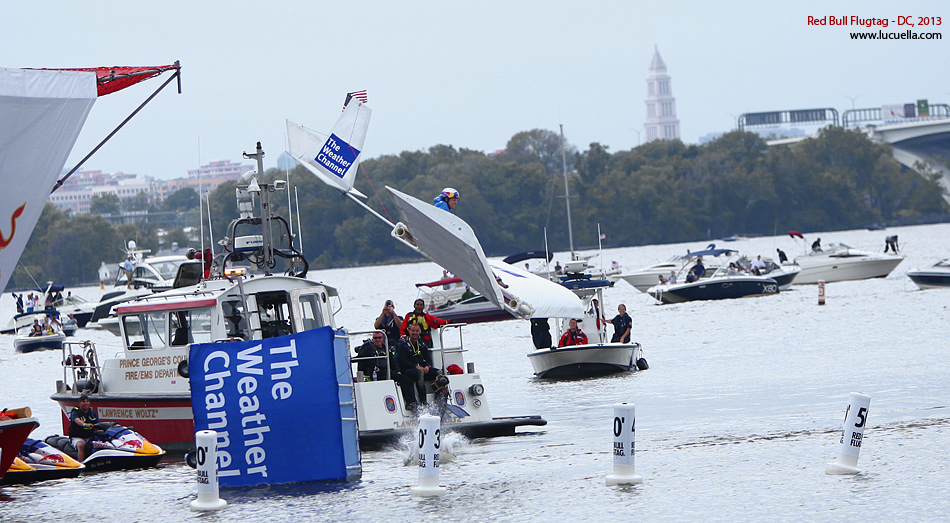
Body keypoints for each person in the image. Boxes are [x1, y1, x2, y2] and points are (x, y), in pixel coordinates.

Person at [397, 324, 442, 408]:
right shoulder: (403, 345)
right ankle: (423, 401)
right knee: (419, 373)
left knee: (439, 373)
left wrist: (427, 366)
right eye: (413, 331)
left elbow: (428, 358)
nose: (415, 333)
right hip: (409, 370)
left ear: (419, 332)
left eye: (417, 331)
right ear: (409, 331)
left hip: (422, 368)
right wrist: (416, 367)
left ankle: (439, 399)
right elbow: (402, 361)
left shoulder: (422, 344)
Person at [69, 393, 100, 461]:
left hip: (90, 437)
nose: (86, 403)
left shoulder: (92, 412)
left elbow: (98, 423)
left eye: (87, 401)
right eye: (83, 401)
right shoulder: (75, 412)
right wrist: (84, 424)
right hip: (77, 437)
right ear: (79, 403)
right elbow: (77, 420)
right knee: (81, 445)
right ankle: (82, 464)